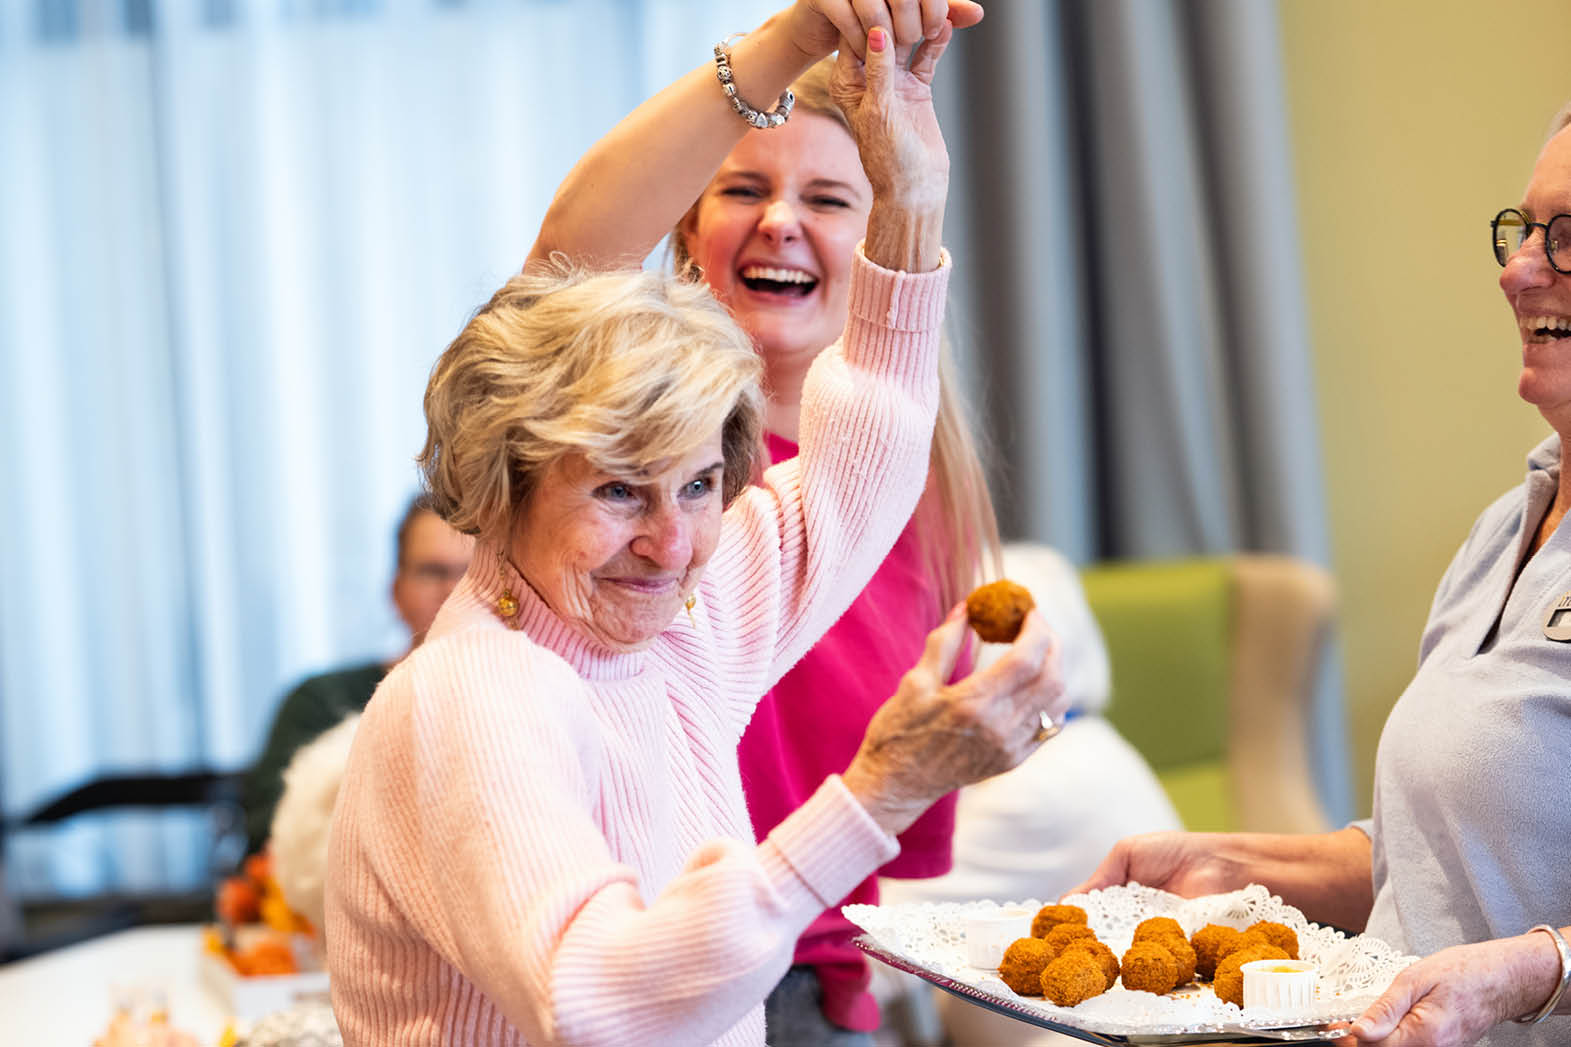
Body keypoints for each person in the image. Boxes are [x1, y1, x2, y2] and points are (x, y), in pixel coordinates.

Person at [325, 13, 1068, 1046]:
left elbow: (868, 453)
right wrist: (875, 794)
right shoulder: (476, 695)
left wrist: (910, 195)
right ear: (507, 483)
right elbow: (598, 1000)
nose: (671, 544)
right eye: (619, 494)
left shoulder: (681, 619)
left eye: (697, 488)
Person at [529, 1, 993, 1038]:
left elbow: (904, 795)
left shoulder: (905, 480)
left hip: (827, 991)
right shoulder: (632, 467)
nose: (780, 218)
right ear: (687, 236)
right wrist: (792, 38)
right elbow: (562, 266)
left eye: (828, 198)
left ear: (878, 244)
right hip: (653, 975)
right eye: (741, 188)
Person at [1071, 103, 1571, 1047]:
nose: (1516, 269)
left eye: (1568, 237)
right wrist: (1228, 860)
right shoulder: (1506, 527)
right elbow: (1432, 860)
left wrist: (1529, 973)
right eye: (1523, 231)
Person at [240, 495, 473, 853]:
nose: (452, 591)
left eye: (471, 573)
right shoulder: (320, 703)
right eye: (432, 572)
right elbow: (268, 845)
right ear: (396, 591)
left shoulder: (537, 701)